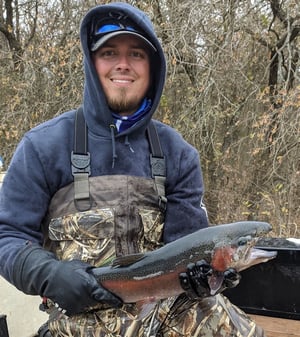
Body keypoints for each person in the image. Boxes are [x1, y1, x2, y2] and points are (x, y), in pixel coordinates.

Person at [0, 3, 265, 337]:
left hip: (163, 312)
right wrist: (51, 275)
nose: (123, 64)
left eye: (136, 54)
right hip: (79, 314)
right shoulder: (42, 146)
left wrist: (204, 280)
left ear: (152, 67)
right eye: (109, 52)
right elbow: (7, 236)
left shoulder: (178, 153)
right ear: (92, 63)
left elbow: (187, 245)